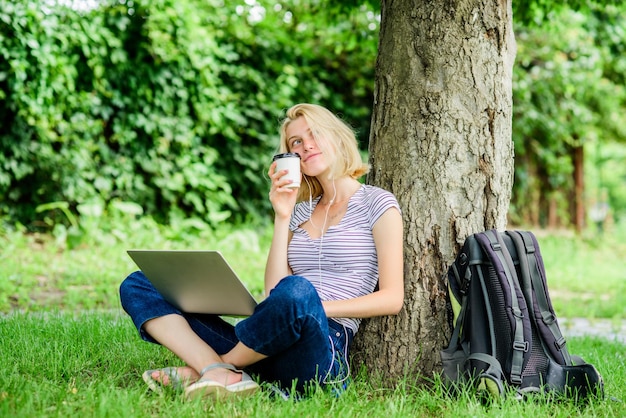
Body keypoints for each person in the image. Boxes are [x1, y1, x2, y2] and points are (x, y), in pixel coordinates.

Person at [119, 103, 404, 400]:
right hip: (268, 336)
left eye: (315, 134)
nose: (307, 146)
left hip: (319, 348)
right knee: (140, 284)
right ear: (291, 157)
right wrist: (282, 214)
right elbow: (273, 292)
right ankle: (221, 370)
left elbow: (392, 298)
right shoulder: (298, 212)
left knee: (297, 291)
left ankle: (221, 367)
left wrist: (312, 308)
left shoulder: (377, 203)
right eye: (296, 142)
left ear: (337, 138)